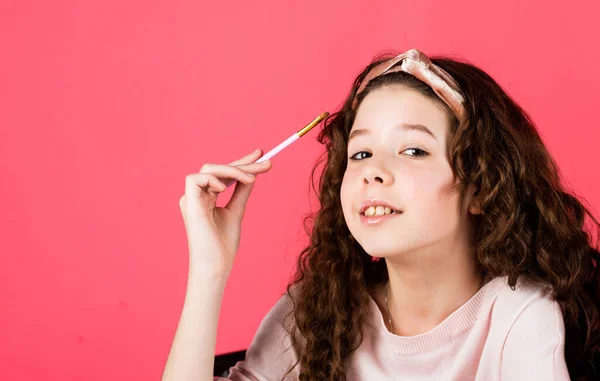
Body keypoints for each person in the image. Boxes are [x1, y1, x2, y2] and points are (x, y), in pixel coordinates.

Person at [161, 48, 600, 381]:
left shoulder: (519, 315)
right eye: (361, 152)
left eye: (413, 150)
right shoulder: (316, 311)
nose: (373, 171)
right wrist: (209, 271)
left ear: (481, 187)